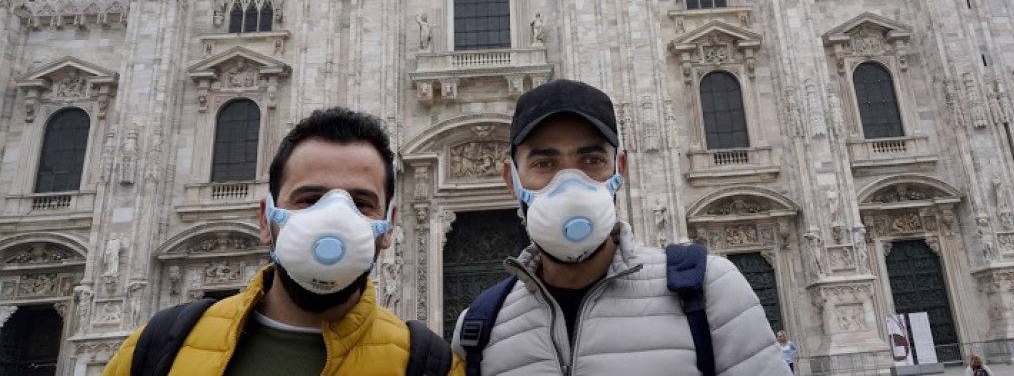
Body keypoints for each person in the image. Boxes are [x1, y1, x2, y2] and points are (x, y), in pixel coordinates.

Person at [451, 79, 791, 375]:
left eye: (592, 160)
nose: (569, 182)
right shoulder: (479, 330)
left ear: (620, 169)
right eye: (544, 163)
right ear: (511, 179)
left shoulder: (710, 291)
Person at [103, 108, 463, 376]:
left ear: (389, 227)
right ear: (266, 219)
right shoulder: (158, 348)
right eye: (309, 199)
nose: (335, 218)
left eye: (362, 203)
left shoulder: (428, 366)